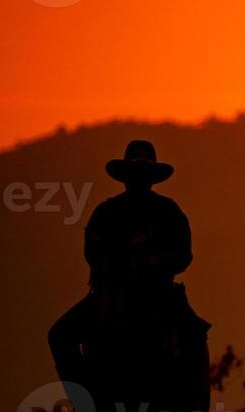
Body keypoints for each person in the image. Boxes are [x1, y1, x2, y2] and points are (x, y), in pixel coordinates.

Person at [47, 139, 206, 388]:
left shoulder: (165, 212)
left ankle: (193, 408)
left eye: (143, 173)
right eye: (135, 172)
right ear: (126, 176)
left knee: (194, 334)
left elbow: (183, 255)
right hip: (111, 295)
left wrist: (150, 264)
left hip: (156, 294)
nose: (139, 178)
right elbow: (93, 253)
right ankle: (85, 398)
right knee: (59, 336)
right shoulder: (109, 212)